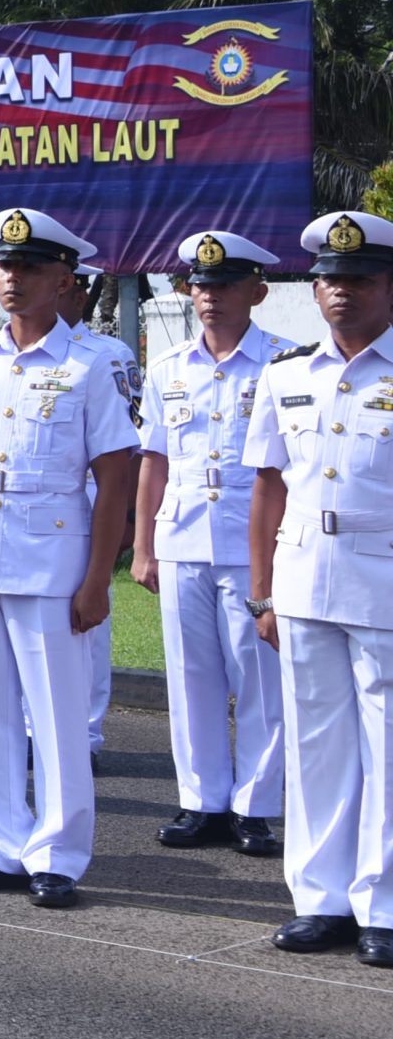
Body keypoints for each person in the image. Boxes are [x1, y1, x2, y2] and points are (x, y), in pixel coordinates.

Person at [0, 208, 138, 909]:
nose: (10, 279)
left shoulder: (92, 364)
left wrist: (98, 577)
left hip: (52, 565)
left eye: (27, 268)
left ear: (62, 278)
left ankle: (57, 853)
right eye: (3, 266)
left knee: (55, 716)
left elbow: (116, 476)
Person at [246, 209, 393, 967]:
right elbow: (268, 488)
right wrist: (264, 590)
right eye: (330, 281)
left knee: (388, 748)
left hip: (385, 579)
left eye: (358, 280)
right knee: (316, 748)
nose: (340, 293)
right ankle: (321, 900)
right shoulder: (285, 376)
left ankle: (385, 903)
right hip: (304, 580)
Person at [132, 230, 286, 858]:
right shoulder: (168, 369)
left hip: (252, 546)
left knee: (258, 679)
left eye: (224, 284)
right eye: (199, 284)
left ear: (258, 290)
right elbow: (153, 462)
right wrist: (143, 547)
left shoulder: (283, 363)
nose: (210, 296)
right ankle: (201, 802)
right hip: (184, 537)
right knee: (191, 677)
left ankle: (256, 805)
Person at [66, 259, 142, 762]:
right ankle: (34, 729)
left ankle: (87, 733)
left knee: (89, 621)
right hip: (43, 506)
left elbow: (129, 444)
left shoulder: (109, 354)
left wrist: (131, 514)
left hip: (99, 498)